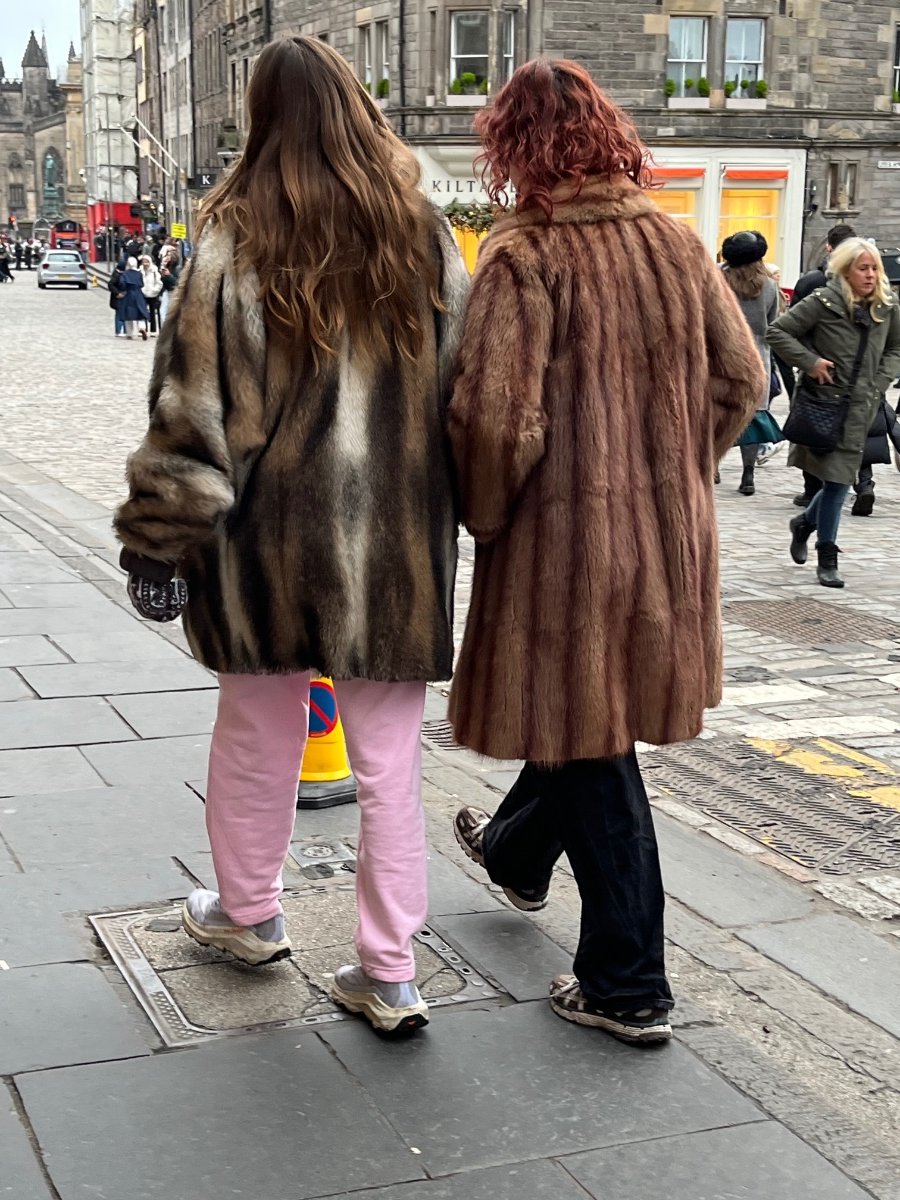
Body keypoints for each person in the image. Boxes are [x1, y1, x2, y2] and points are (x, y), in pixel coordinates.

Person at [114, 35, 469, 1035]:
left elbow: (195, 413)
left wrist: (157, 540)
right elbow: (464, 392)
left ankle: (248, 914)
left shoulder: (235, 239)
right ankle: (390, 971)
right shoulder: (424, 234)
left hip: (265, 545)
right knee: (389, 762)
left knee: (256, 735)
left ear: (264, 119)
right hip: (392, 547)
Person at [447, 59, 763, 1047]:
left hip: (562, 550)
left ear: (515, 146)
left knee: (593, 746)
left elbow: (497, 420)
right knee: (588, 718)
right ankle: (515, 852)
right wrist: (674, 470)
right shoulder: (675, 242)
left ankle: (628, 983)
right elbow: (742, 380)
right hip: (663, 545)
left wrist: (486, 515)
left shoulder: (524, 253)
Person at [769, 237, 900, 587]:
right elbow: (777, 332)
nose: (870, 275)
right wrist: (810, 362)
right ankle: (826, 556)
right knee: (838, 482)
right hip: (825, 405)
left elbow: (896, 348)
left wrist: (880, 381)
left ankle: (805, 525)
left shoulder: (887, 305)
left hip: (862, 407)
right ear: (845, 271)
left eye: (874, 268)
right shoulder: (822, 302)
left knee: (838, 482)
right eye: (863, 268)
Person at [790, 223, 857, 506]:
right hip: (849, 371)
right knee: (857, 432)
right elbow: (783, 329)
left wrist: (805, 360)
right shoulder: (821, 288)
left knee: (814, 428)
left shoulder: (809, 282)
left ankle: (814, 491)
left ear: (829, 247)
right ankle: (862, 484)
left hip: (821, 370)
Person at [720, 231, 781, 495]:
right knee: (752, 418)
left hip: (722, 353)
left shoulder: (718, 279)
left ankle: (713, 466)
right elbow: (774, 324)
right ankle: (748, 473)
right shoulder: (769, 286)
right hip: (756, 356)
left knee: (717, 413)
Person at [117, 256, 150, 339]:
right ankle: (142, 328)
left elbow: (122, 284)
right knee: (140, 312)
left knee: (128, 313)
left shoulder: (125, 274)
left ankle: (130, 333)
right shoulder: (139, 274)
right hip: (138, 294)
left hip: (129, 294)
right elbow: (142, 284)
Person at [139, 254, 163, 335]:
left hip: (153, 294)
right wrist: (141, 290)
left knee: (152, 312)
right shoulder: (140, 271)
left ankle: (153, 330)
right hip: (143, 294)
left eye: (147, 262)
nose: (145, 264)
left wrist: (155, 290)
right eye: (143, 262)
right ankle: (143, 329)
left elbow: (159, 283)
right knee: (142, 311)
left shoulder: (154, 271)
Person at [108, 263, 127, 336]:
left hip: (123, 296)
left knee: (123, 314)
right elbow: (111, 284)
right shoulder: (117, 275)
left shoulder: (120, 274)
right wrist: (117, 293)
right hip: (118, 298)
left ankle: (125, 331)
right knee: (119, 314)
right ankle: (119, 331)